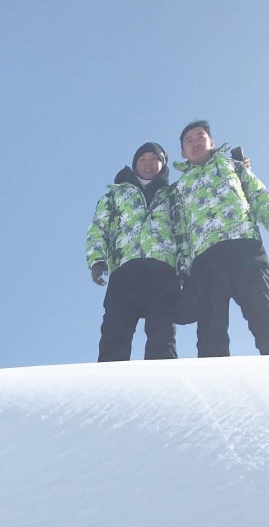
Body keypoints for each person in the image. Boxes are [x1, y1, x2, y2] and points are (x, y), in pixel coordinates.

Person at [174, 120, 269, 357]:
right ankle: (211, 388)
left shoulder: (232, 166)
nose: (195, 143)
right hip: (205, 259)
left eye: (200, 137)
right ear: (183, 152)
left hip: (244, 247)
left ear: (212, 141)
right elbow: (181, 232)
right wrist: (183, 271)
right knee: (210, 329)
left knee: (264, 312)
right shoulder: (179, 187)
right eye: (189, 141)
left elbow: (257, 193)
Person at [85, 142, 180, 362]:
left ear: (163, 163)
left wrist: (184, 269)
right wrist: (97, 260)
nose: (148, 163)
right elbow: (99, 227)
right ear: (135, 163)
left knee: (162, 335)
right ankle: (109, 389)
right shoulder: (115, 194)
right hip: (125, 269)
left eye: (154, 158)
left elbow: (183, 230)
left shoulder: (174, 194)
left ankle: (163, 389)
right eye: (142, 159)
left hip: (162, 269)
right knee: (115, 333)